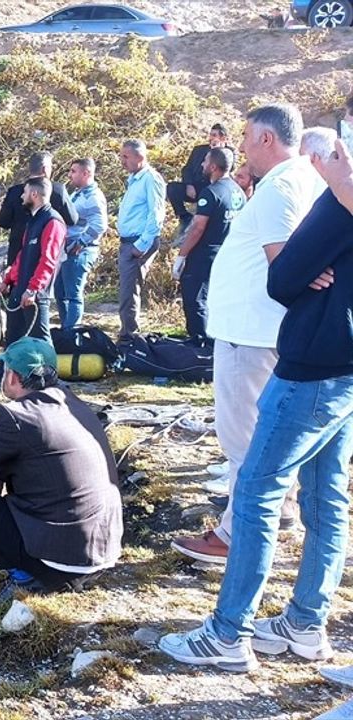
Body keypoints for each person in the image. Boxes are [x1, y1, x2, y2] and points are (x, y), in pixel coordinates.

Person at [158, 138, 353, 674]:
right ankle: (305, 623)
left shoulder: (340, 198)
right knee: (327, 497)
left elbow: (283, 278)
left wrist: (312, 249)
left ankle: (228, 633)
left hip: (312, 365)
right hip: (343, 366)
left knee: (257, 492)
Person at [169, 105, 325, 566]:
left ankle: (234, 534)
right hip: (264, 329)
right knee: (269, 431)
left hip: (251, 332)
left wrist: (308, 271)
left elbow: (287, 262)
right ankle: (280, 510)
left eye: (246, 136)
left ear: (266, 139)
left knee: (243, 440)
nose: (240, 146)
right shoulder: (307, 178)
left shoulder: (279, 186)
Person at [0, 336, 122, 594]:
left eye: (4, 369)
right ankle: (45, 570)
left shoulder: (14, 416)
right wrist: (0, 471)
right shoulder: (73, 403)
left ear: (12, 377)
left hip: (61, 565)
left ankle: (26, 578)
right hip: (103, 555)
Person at [0, 177, 67, 393]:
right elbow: (22, 256)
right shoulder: (32, 220)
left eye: (24, 192)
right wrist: (7, 281)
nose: (22, 196)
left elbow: (48, 261)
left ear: (35, 194)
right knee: (12, 339)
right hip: (18, 290)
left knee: (41, 340)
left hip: (35, 294)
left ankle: (52, 386)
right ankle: (2, 379)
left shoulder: (53, 221)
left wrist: (33, 289)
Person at [172, 147, 245, 344]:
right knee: (217, 298)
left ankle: (200, 342)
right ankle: (217, 339)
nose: (202, 164)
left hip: (205, 254)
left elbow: (198, 228)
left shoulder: (211, 193)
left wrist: (182, 255)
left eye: (205, 161)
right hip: (227, 252)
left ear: (213, 167)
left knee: (195, 298)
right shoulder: (237, 191)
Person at [114, 139, 166, 340]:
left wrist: (142, 245)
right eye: (121, 156)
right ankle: (127, 333)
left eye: (126, 156)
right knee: (127, 290)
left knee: (129, 291)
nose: (122, 161)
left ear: (140, 156)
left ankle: (130, 337)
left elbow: (156, 214)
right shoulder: (135, 179)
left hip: (137, 242)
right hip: (129, 241)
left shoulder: (150, 179)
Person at [0, 151, 79, 267]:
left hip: (18, 249)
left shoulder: (14, 191)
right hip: (46, 249)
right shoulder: (57, 190)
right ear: (45, 169)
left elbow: (3, 222)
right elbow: (72, 219)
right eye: (51, 167)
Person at [54, 158, 108, 330]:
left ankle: (71, 333)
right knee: (60, 292)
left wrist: (81, 242)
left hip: (79, 251)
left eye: (73, 171)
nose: (69, 175)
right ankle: (66, 330)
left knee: (73, 295)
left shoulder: (93, 197)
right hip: (67, 249)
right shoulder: (78, 193)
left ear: (86, 173)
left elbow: (99, 225)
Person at [168, 124, 230, 231]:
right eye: (210, 134)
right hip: (195, 187)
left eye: (214, 135)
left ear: (222, 138)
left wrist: (218, 151)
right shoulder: (199, 150)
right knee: (172, 188)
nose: (211, 138)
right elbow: (187, 169)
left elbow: (229, 169)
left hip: (212, 189)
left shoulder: (229, 153)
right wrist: (189, 184)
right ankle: (184, 217)